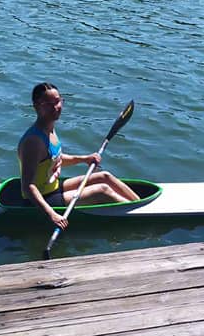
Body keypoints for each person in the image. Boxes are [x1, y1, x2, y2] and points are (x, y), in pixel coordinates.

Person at [19, 82, 139, 230]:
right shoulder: (33, 142)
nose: (56, 107)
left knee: (105, 176)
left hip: (53, 188)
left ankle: (140, 206)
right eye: (48, 104)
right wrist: (52, 214)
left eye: (58, 101)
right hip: (42, 199)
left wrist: (85, 159)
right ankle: (139, 216)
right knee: (102, 190)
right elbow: (27, 187)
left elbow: (57, 159)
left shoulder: (49, 128)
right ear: (36, 106)